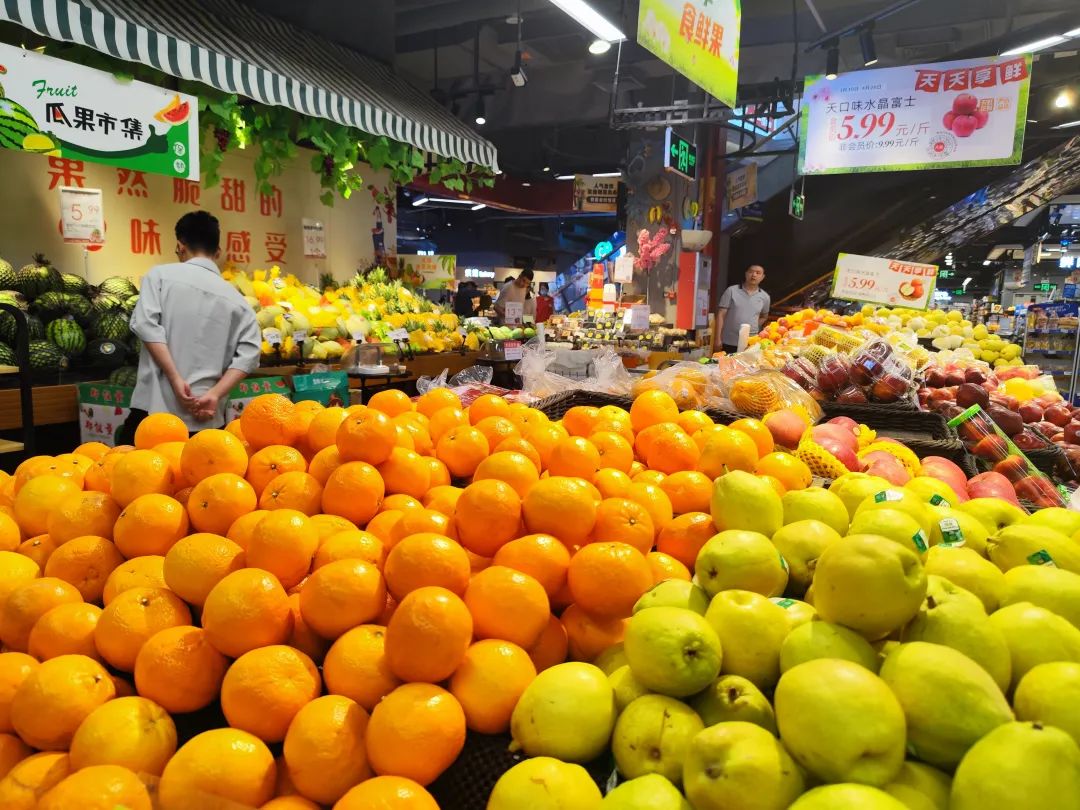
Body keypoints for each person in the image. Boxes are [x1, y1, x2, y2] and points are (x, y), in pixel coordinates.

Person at [117, 211, 261, 443]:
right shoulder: (238, 301)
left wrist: (175, 378)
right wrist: (214, 394)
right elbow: (250, 355)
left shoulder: (160, 276)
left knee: (137, 472)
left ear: (180, 246)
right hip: (207, 422)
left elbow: (146, 326)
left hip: (153, 417)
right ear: (218, 253)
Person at [716, 264, 770, 354]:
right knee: (726, 366)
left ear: (762, 277)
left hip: (750, 342)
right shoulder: (731, 291)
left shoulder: (765, 297)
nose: (754, 275)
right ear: (746, 274)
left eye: (758, 273)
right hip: (729, 340)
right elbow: (721, 314)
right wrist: (717, 338)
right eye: (751, 272)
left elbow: (764, 316)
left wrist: (753, 326)